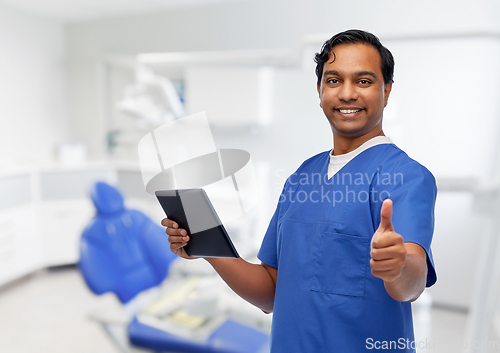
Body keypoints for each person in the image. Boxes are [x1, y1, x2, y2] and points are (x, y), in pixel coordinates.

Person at [162, 29, 437, 352]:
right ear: (320, 91)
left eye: (363, 81)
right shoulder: (301, 177)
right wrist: (205, 247)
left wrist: (399, 265)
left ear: (386, 91)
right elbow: (270, 292)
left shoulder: (406, 176)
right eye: (334, 81)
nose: (347, 93)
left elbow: (412, 283)